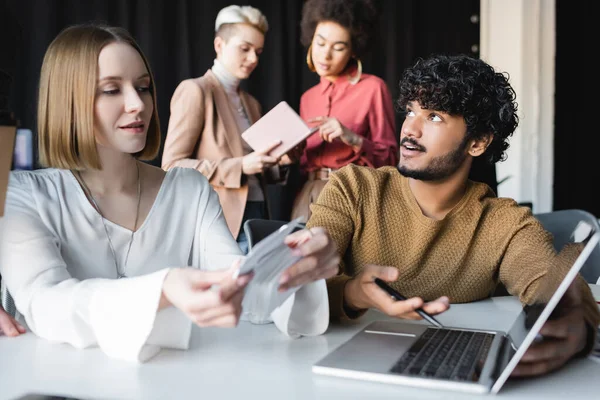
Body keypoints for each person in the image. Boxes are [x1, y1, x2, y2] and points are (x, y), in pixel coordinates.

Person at [0, 23, 339, 362]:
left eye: (143, 87)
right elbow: (46, 303)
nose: (138, 104)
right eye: (111, 90)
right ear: (68, 100)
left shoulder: (188, 189)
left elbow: (243, 290)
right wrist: (163, 289)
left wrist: (296, 267)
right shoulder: (23, 194)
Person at [306, 54, 600, 377]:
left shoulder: (501, 222)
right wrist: (353, 293)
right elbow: (302, 288)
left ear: (477, 142)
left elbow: (549, 282)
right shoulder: (353, 188)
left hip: (453, 374)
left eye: (433, 117)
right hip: (340, 370)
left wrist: (577, 322)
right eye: (411, 111)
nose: (410, 130)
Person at [161, 5, 302, 254]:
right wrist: (240, 166)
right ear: (219, 45)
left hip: (258, 215)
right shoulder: (196, 90)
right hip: (218, 218)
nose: (253, 59)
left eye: (258, 52)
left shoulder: (252, 103)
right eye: (245, 49)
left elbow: (260, 171)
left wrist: (282, 161)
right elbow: (171, 166)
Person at [290, 0, 399, 221]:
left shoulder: (373, 88)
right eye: (320, 43)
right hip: (307, 197)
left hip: (352, 193)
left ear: (353, 50)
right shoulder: (308, 98)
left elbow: (392, 160)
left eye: (338, 47)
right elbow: (302, 166)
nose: (326, 55)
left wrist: (353, 138)